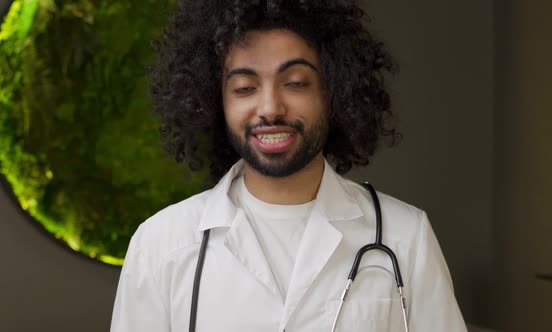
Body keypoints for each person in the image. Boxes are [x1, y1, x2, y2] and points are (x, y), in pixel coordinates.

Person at [110, 1, 468, 331]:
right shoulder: (161, 244)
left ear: (334, 93)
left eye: (295, 83)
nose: (270, 107)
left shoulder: (405, 236)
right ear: (212, 102)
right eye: (245, 87)